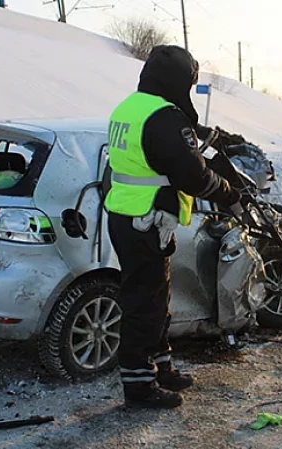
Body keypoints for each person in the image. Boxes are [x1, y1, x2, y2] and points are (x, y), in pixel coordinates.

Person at [104, 45, 243, 410]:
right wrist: (228, 191)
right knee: (144, 302)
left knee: (156, 295)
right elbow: (191, 174)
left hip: (130, 216)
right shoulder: (164, 117)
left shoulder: (129, 107)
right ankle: (139, 385)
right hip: (145, 220)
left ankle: (161, 365)